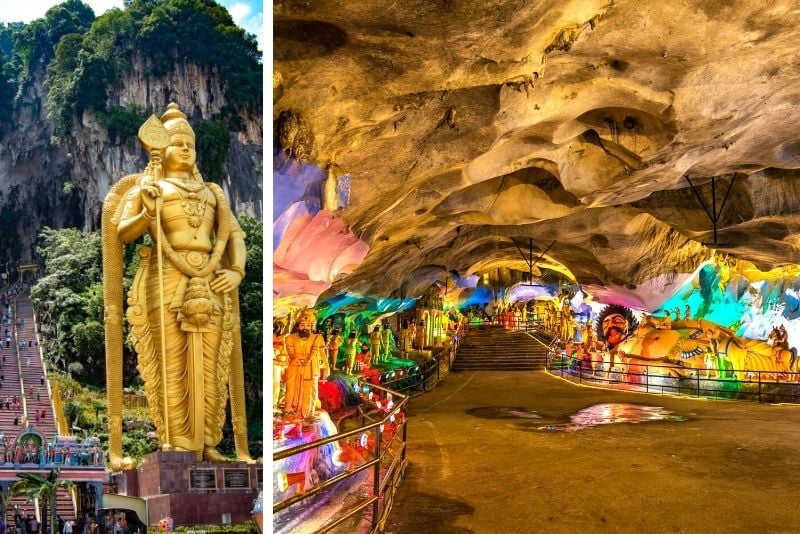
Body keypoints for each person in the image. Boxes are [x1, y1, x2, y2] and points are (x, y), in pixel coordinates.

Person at [103, 103, 252, 466]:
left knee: (212, 362)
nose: (186, 149)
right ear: (161, 150)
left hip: (211, 277)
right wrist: (147, 211)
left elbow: (234, 236)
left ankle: (210, 443)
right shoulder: (150, 186)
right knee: (172, 364)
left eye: (190, 143)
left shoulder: (213, 192)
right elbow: (122, 232)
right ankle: (178, 444)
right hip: (166, 277)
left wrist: (237, 272)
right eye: (178, 143)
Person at [283, 309, 325, 419]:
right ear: (298, 325)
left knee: (310, 388)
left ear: (311, 326)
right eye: (302, 324)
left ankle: (308, 410)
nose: (305, 327)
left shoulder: (317, 337)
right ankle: (289, 409)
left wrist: (325, 366)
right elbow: (290, 351)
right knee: (291, 386)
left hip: (310, 366)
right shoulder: (290, 338)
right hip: (295, 365)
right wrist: (293, 357)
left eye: (308, 325)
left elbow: (317, 351)